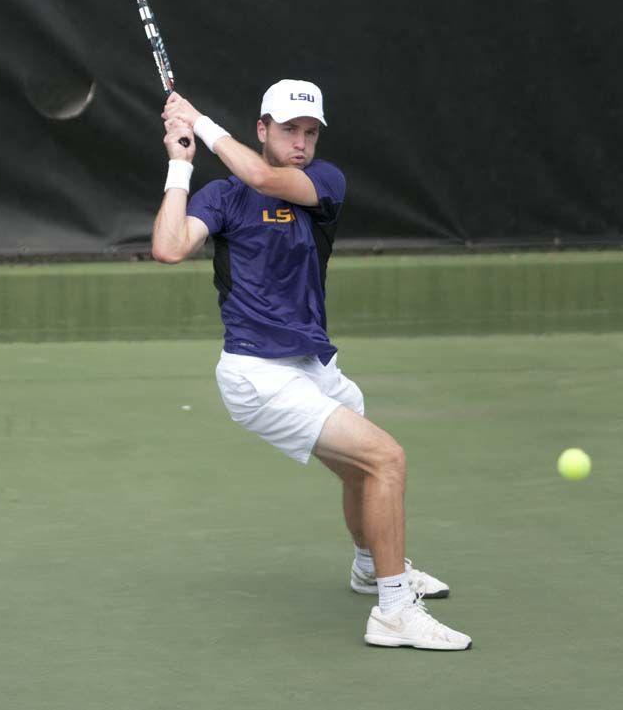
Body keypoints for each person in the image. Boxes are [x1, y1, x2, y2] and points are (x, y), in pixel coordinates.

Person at [152, 79, 471, 651]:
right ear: (262, 128)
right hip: (257, 374)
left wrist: (200, 121)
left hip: (314, 367)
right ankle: (394, 612)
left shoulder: (323, 183)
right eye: (288, 129)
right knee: (386, 460)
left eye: (309, 132)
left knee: (361, 470)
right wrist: (180, 167)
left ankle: (371, 567)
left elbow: (264, 178)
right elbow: (170, 246)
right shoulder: (223, 197)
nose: (300, 141)